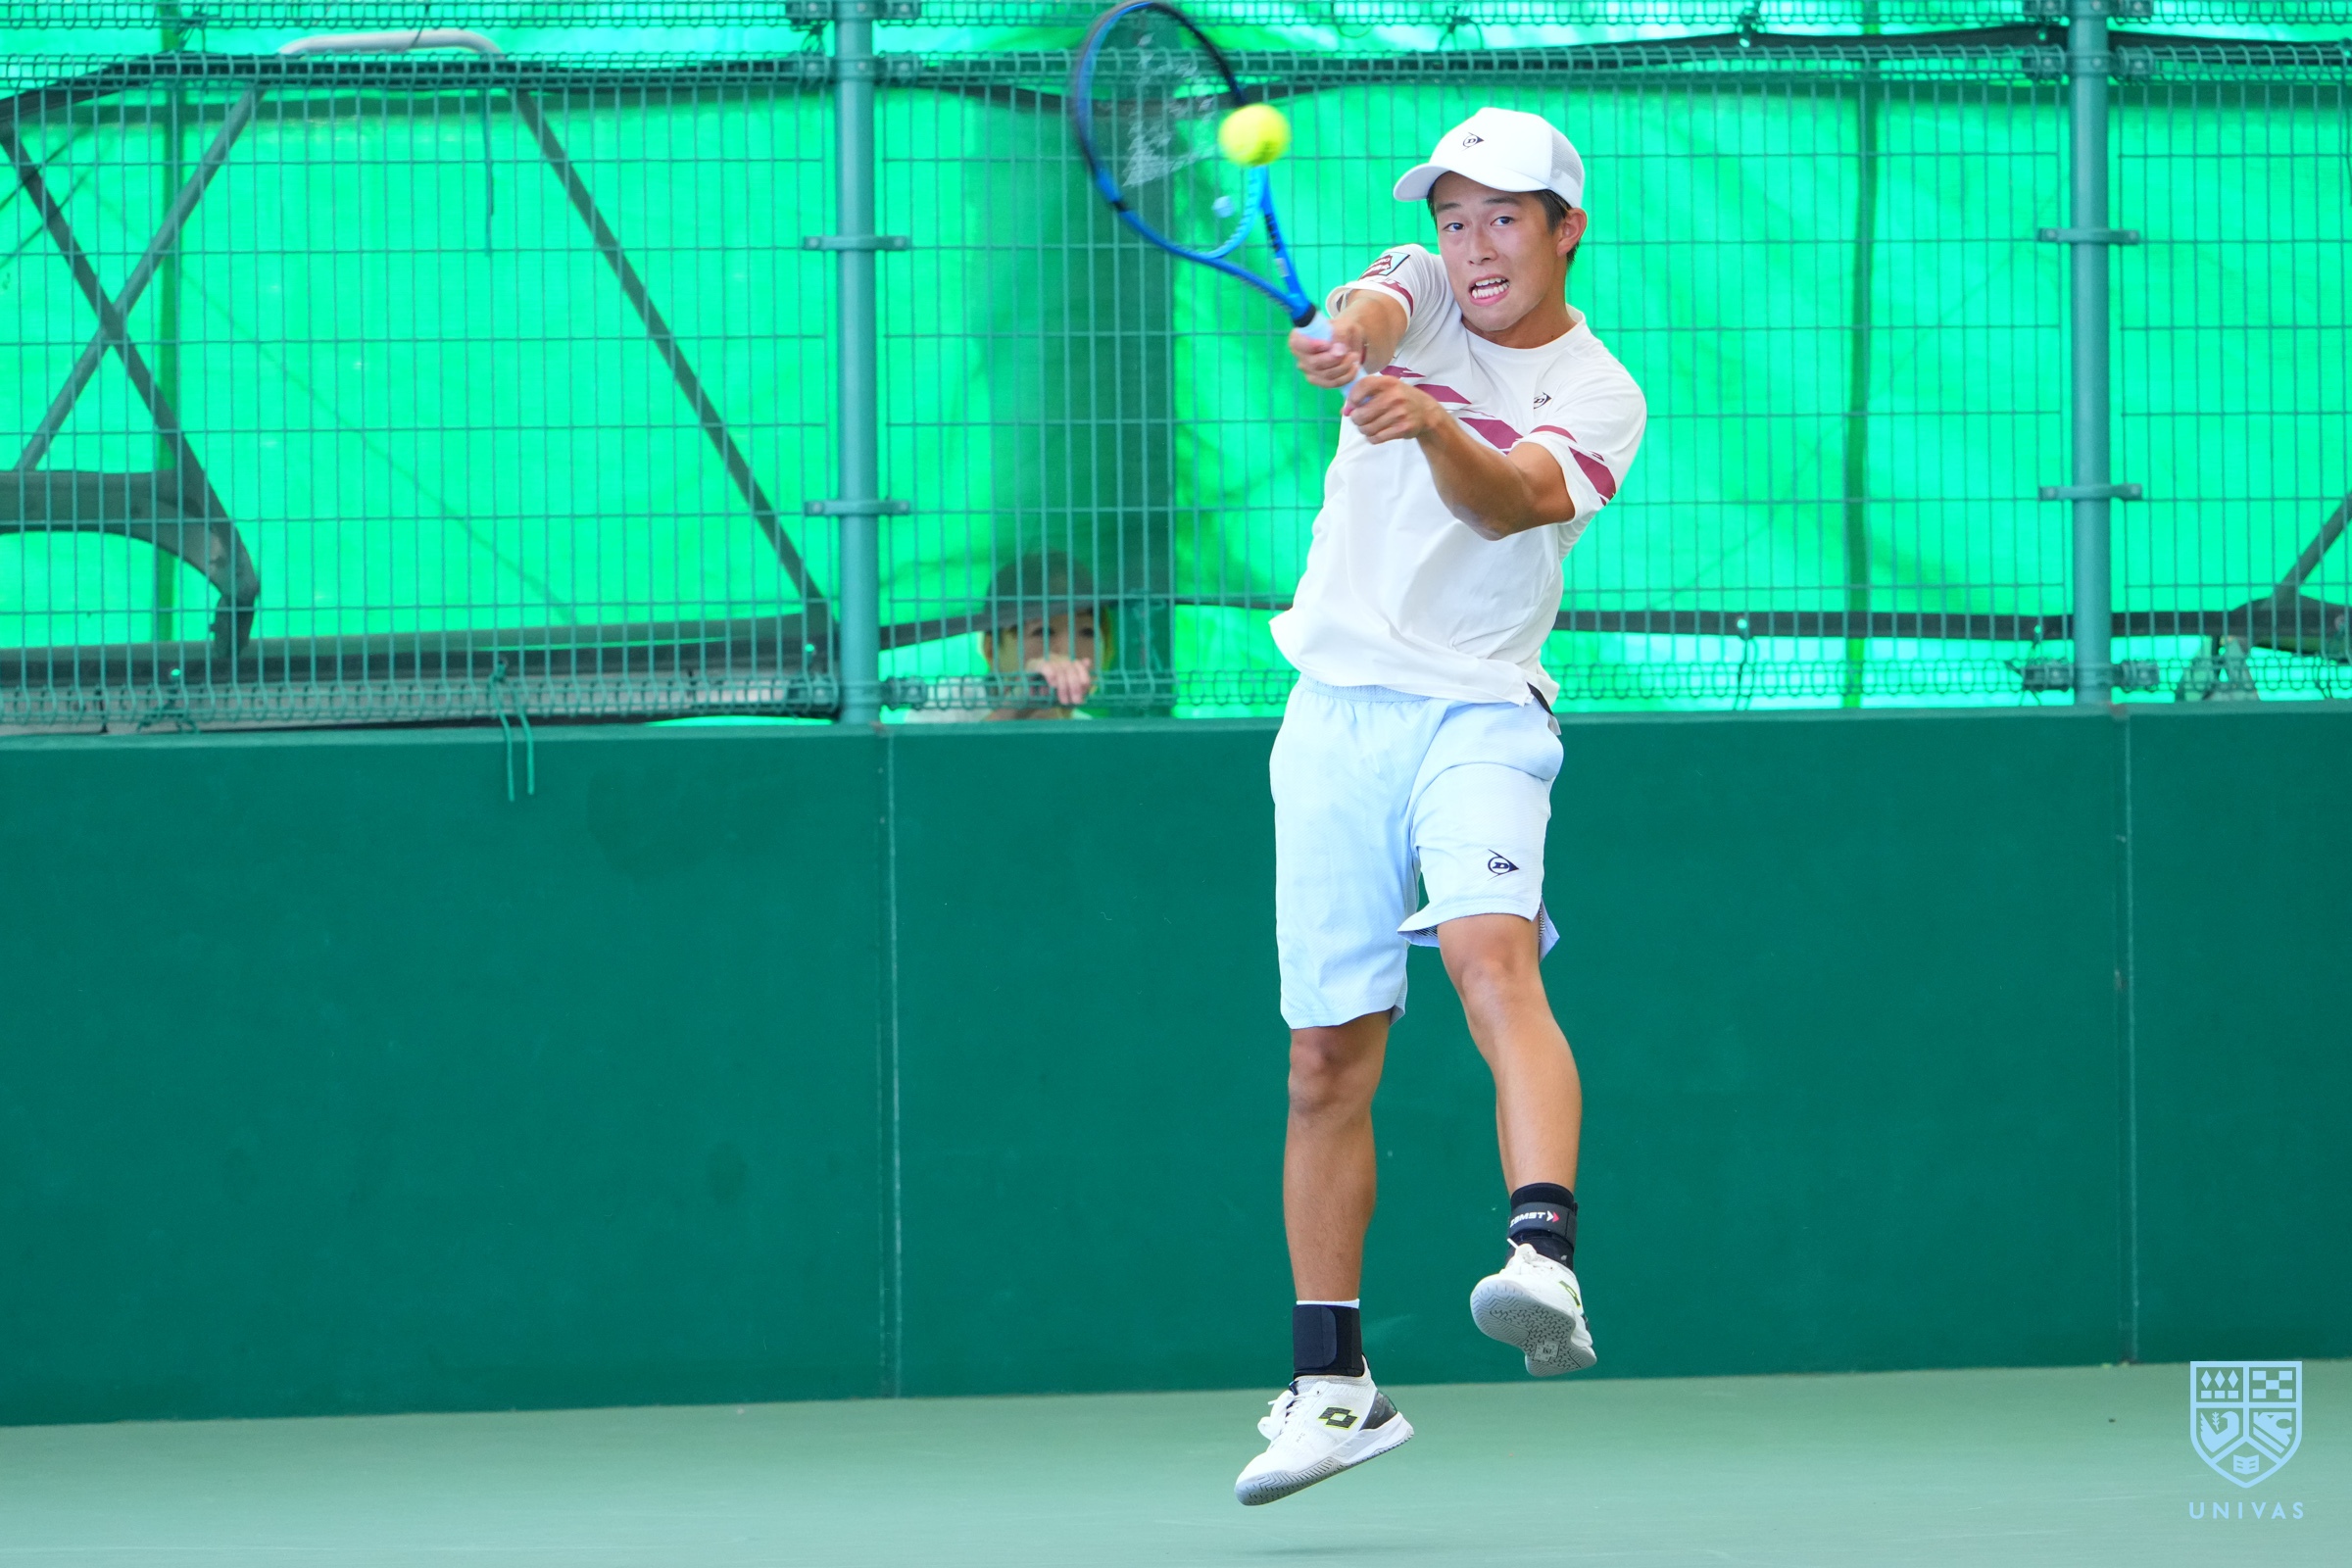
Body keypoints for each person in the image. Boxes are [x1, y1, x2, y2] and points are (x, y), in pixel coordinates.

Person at [1234, 107, 1647, 1506]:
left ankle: (1544, 1260)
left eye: (1505, 219)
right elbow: (1370, 306)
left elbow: (1513, 502)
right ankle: (1334, 1389)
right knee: (1322, 1064)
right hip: (1331, 717)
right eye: (1457, 218)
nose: (1475, 246)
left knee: (1489, 960)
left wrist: (1426, 423)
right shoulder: (1415, 286)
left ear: (1565, 230)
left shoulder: (1601, 391)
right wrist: (1348, 342)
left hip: (1480, 707)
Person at [904, 552, 1102, 721]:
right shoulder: (946, 702)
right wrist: (1015, 706)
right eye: (1043, 631)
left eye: (1088, 631)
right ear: (991, 650)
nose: (1068, 651)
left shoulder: (1087, 730)